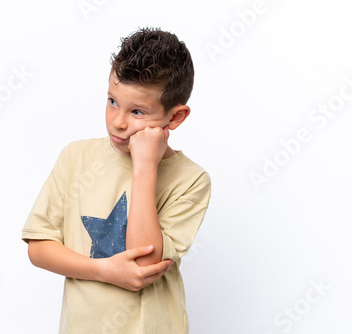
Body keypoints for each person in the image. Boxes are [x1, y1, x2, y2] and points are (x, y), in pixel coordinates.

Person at [21, 27, 212, 334]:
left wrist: (145, 166)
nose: (118, 122)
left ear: (174, 118)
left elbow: (145, 261)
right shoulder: (76, 157)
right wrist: (103, 270)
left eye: (137, 111)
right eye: (112, 101)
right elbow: (39, 247)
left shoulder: (191, 180)